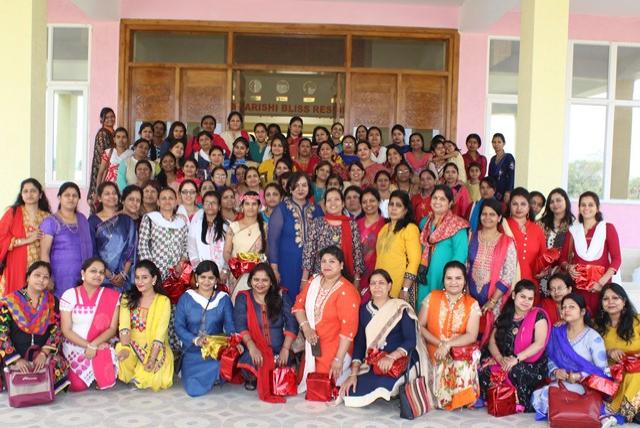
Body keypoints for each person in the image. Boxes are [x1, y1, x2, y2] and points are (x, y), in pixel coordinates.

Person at [341, 269, 430, 407]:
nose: (377, 287)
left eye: (381, 283)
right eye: (373, 283)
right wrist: (353, 374)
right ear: (369, 287)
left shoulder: (401, 307)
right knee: (352, 393)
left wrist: (391, 357)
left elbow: (410, 340)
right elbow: (360, 343)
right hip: (375, 363)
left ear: (389, 286)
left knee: (383, 386)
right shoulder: (364, 310)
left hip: (400, 360)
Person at [531, 293, 613, 424]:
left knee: (550, 395)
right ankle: (575, 413)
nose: (566, 310)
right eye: (563, 307)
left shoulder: (593, 337)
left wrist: (579, 376)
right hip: (562, 382)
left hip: (586, 386)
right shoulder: (557, 332)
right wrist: (556, 371)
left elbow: (602, 371)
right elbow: (549, 358)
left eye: (571, 307)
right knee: (539, 395)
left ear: (582, 311)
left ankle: (595, 413)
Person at [293, 246, 360, 392]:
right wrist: (307, 329)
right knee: (307, 381)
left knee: (323, 386)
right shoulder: (314, 281)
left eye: (332, 261)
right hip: (314, 346)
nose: (327, 265)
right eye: (323, 261)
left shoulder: (347, 291)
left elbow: (348, 331)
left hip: (335, 348)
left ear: (341, 265)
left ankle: (346, 372)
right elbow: (298, 306)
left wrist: (338, 359)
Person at [478, 280, 550, 412]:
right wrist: (500, 358)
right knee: (483, 369)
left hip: (529, 363)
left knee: (515, 371)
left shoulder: (538, 316)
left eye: (530, 298)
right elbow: (492, 342)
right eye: (522, 296)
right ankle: (491, 398)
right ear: (513, 295)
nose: (526, 301)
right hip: (505, 359)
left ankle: (517, 402)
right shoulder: (505, 315)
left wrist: (516, 359)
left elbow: (539, 343)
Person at [419, 261, 481, 410]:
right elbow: (419, 326)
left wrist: (448, 345)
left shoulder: (472, 304)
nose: (453, 282)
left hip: (458, 353)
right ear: (443, 280)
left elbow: (471, 335)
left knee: (461, 366)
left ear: (465, 281)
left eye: (458, 278)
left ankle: (457, 398)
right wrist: (440, 344)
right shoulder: (432, 297)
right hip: (432, 349)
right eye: (449, 278)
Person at [0, 261, 69, 393]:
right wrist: (16, 359)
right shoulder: (9, 302)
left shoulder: (52, 301)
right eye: (37, 275)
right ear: (28, 278)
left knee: (57, 365)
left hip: (41, 353)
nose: (41, 280)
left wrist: (44, 353)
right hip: (15, 353)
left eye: (45, 277)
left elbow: (57, 329)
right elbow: (1, 333)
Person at [234, 263, 298, 401]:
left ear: (271, 282)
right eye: (256, 280)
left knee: (282, 365)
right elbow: (240, 325)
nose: (260, 284)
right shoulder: (243, 297)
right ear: (250, 281)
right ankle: (254, 377)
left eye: (265, 280)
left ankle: (265, 376)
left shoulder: (282, 296)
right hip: (254, 348)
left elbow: (292, 324)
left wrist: (285, 349)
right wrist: (252, 347)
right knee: (252, 360)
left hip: (278, 350)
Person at [174, 260, 236, 397]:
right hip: (192, 350)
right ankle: (207, 376)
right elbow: (178, 326)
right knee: (192, 388)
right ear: (196, 278)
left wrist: (234, 343)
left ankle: (216, 375)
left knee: (224, 363)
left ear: (216, 280)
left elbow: (231, 326)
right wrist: (195, 340)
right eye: (202, 277)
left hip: (216, 351)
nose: (206, 282)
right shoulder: (186, 298)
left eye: (211, 278)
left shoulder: (223, 299)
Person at [60, 257, 120, 392]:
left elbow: (112, 329)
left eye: (101, 272)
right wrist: (88, 345)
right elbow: (66, 329)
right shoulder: (69, 295)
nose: (98, 275)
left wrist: (94, 345)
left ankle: (101, 370)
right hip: (75, 345)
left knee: (105, 376)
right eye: (93, 271)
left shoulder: (112, 296)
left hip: (100, 344)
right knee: (77, 386)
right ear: (83, 274)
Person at [115, 260, 173, 391]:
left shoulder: (163, 301)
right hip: (131, 344)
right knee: (122, 355)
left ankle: (141, 373)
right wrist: (124, 348)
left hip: (155, 347)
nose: (140, 281)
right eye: (137, 277)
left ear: (154, 279)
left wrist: (152, 359)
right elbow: (124, 327)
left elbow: (160, 333)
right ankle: (132, 370)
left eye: (144, 277)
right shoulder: (127, 298)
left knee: (153, 377)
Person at [560, 191, 621, 315]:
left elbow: (617, 259)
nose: (586, 208)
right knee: (580, 317)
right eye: (583, 205)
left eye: (590, 205)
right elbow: (562, 259)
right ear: (579, 208)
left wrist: (601, 282)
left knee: (601, 319)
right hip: (578, 286)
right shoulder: (573, 231)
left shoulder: (607, 228)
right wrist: (569, 267)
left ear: (597, 208)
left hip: (601, 286)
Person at [467, 199, 517, 329]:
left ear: (499, 217)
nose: (487, 217)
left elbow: (508, 275)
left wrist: (493, 301)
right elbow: (465, 266)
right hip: (469, 297)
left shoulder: (507, 242)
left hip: (495, 300)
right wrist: (466, 294)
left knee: (490, 335)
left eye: (492, 214)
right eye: (484, 214)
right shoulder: (471, 237)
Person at [417, 185, 469, 310]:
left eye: (442, 199)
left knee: (440, 312)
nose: (437, 202)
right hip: (424, 274)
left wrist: (451, 278)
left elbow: (460, 255)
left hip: (443, 277)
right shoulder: (424, 223)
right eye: (435, 198)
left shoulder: (457, 225)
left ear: (450, 203)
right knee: (422, 310)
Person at [268, 173, 319, 300]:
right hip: (286, 265)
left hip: (312, 265)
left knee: (310, 299)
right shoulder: (281, 209)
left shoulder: (317, 210)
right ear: (290, 189)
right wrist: (274, 269)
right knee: (287, 300)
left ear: (309, 188)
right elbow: (272, 241)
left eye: (304, 185)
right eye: (296, 186)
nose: (300, 189)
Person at [595, 284, 640, 423]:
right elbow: (591, 352)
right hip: (613, 375)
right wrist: (608, 352)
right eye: (606, 299)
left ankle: (632, 410)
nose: (610, 302)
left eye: (615, 298)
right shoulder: (597, 326)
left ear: (624, 301)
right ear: (601, 303)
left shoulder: (637, 321)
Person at [40, 182, 93, 298]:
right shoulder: (50, 222)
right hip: (60, 277)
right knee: (61, 310)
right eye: (67, 195)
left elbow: (89, 248)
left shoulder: (82, 219)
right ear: (59, 197)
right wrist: (47, 277)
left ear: (79, 198)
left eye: (75, 195)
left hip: (83, 275)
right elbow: (44, 252)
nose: (71, 198)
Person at [302, 188, 364, 287]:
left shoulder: (352, 224)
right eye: (329, 200)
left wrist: (356, 280)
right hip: (320, 277)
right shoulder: (317, 223)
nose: (333, 203)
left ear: (343, 203)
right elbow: (309, 252)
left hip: (344, 277)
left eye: (336, 199)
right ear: (325, 204)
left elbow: (357, 253)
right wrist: (304, 279)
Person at [0, 178, 50, 296]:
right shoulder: (13, 212)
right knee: (15, 300)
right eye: (25, 191)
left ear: (40, 194)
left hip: (39, 265)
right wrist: (27, 240)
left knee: (35, 300)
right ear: (21, 195)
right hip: (16, 264)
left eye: (33, 191)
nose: (29, 194)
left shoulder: (47, 217)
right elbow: (1, 238)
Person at [374, 190, 421, 307]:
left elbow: (414, 261)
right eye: (391, 204)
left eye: (398, 205)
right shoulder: (384, 228)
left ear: (405, 210)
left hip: (400, 287)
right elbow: (379, 257)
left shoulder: (410, 228)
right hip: (381, 285)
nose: (394, 208)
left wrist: (405, 288)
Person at [88, 182, 137, 291]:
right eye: (107, 194)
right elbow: (92, 250)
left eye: (114, 193)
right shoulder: (92, 221)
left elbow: (132, 249)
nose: (112, 196)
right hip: (100, 276)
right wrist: (109, 275)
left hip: (123, 278)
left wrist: (123, 273)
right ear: (99, 198)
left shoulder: (126, 220)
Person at [502, 187, 546, 303]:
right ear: (509, 205)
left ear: (528, 206)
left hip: (531, 287)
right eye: (515, 204)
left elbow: (543, 258)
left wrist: (543, 272)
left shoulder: (537, 229)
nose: (519, 208)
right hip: (507, 285)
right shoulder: (502, 226)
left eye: (523, 204)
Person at [223, 191, 267, 301]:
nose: (250, 207)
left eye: (254, 204)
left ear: (259, 206)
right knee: (237, 305)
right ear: (242, 206)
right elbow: (227, 251)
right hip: (237, 274)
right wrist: (234, 264)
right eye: (247, 204)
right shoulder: (233, 226)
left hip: (258, 276)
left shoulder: (265, 227)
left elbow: (268, 253)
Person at [138, 187, 188, 280]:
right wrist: (151, 269)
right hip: (155, 273)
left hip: (176, 274)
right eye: (163, 198)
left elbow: (186, 246)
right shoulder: (150, 218)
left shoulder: (181, 222)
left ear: (176, 202)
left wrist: (180, 264)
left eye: (171, 198)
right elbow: (143, 245)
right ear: (158, 202)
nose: (167, 201)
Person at [537, 188, 574, 293]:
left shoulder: (574, 226)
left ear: (566, 201)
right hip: (542, 273)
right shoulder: (540, 224)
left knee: (561, 300)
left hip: (563, 273)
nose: (555, 204)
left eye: (558, 200)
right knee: (544, 296)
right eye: (552, 202)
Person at [188, 190, 227, 275]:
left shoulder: (227, 226)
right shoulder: (196, 226)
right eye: (207, 202)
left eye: (213, 203)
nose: (210, 205)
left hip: (222, 274)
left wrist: (225, 270)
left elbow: (230, 251)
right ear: (203, 205)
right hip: (202, 273)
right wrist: (200, 271)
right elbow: (192, 251)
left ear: (219, 206)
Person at [88, 107, 116, 211]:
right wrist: (102, 176)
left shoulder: (113, 132)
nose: (110, 119)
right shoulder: (103, 133)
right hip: (103, 171)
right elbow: (103, 156)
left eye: (112, 116)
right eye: (107, 117)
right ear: (101, 119)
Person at [488, 133, 515, 202]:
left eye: (499, 142)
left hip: (504, 191)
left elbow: (511, 175)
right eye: (494, 142)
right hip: (493, 192)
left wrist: (508, 191)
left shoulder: (509, 157)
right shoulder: (492, 159)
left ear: (504, 143)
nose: (496, 144)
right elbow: (490, 177)